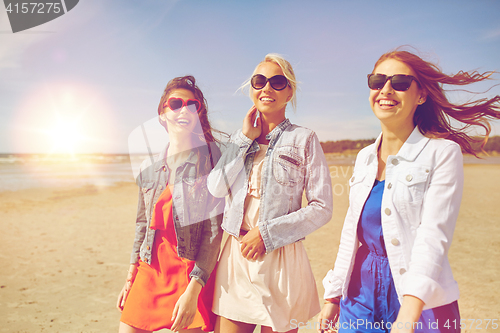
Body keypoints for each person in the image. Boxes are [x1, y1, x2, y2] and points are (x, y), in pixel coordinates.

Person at [318, 48, 500, 333]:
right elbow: (351, 231)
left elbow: (433, 236)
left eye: (400, 83)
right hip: (359, 297)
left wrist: (408, 314)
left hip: (421, 301)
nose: (386, 90)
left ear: (422, 95)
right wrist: (333, 295)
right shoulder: (364, 156)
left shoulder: (442, 152)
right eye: (377, 81)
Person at [207, 53, 333, 333]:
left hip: (282, 260)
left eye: (277, 82)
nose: (267, 88)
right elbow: (215, 187)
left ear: (290, 92)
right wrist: (243, 139)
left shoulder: (304, 138)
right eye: (259, 81)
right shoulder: (238, 139)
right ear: (251, 88)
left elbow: (322, 207)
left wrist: (266, 233)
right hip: (236, 260)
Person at [116, 76, 225, 333]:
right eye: (175, 103)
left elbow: (213, 233)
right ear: (162, 114)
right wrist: (130, 277)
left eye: (192, 104)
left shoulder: (209, 163)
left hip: (190, 273)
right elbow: (142, 225)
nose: (183, 110)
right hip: (149, 270)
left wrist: (194, 289)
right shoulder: (148, 168)